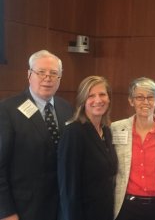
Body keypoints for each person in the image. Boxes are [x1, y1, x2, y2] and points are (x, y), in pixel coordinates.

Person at [0, 50, 73, 220]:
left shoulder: (67, 108)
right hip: (24, 209)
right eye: (41, 72)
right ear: (29, 75)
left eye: (54, 73)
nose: (47, 78)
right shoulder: (7, 110)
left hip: (61, 208)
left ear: (60, 79)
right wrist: (6, 212)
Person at [111, 77, 155, 220]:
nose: (146, 102)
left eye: (150, 97)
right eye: (140, 97)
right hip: (126, 206)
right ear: (131, 101)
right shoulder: (116, 128)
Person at [57, 76, 118, 220]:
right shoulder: (74, 132)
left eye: (102, 94)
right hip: (82, 214)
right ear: (83, 101)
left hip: (104, 212)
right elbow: (68, 188)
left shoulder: (107, 131)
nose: (98, 100)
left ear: (109, 99)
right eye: (91, 96)